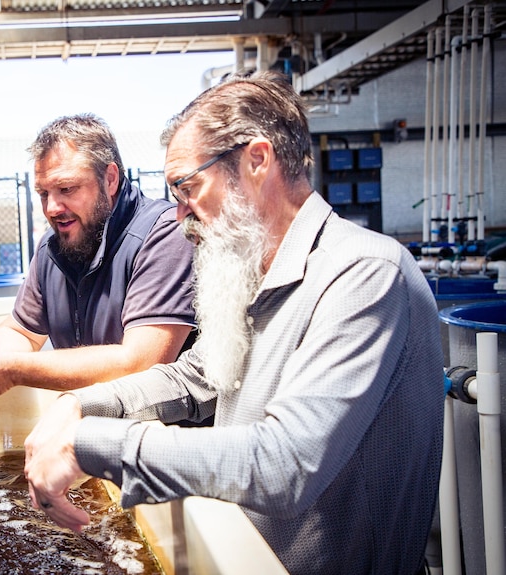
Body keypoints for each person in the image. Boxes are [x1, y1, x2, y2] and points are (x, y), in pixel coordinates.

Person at [23, 71, 444, 574]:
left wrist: (90, 445)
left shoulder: (365, 275)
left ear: (257, 160)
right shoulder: (253, 270)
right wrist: (81, 405)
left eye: (188, 188)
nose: (181, 218)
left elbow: (284, 463)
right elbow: (198, 374)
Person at [0, 113, 197, 434]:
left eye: (66, 188)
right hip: (88, 439)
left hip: (162, 452)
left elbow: (141, 363)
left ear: (109, 179)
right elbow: (22, 332)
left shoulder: (164, 233)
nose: (52, 207)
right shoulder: (53, 246)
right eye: (43, 193)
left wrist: (10, 370)